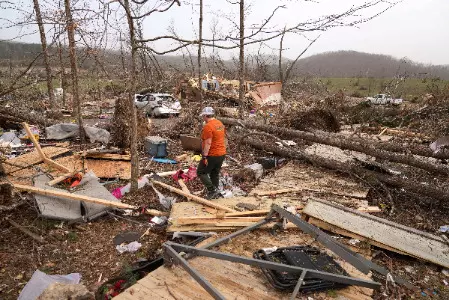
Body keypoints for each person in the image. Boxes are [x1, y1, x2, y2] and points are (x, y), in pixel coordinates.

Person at [197, 107, 226, 199]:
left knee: (201, 172)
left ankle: (212, 189)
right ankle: (216, 191)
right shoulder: (220, 123)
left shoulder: (208, 126)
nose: (203, 118)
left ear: (206, 115)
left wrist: (205, 156)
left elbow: (208, 142)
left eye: (203, 116)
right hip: (222, 153)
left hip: (212, 154)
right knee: (214, 173)